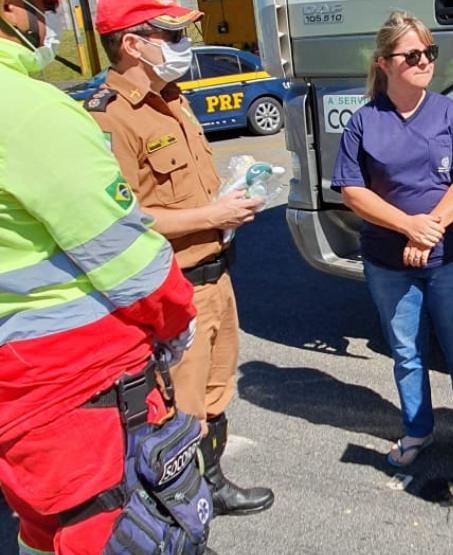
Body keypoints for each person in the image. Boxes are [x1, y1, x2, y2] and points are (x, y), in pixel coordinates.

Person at [0, 0, 201, 552]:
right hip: (75, 389)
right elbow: (125, 254)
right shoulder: (31, 110)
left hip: (21, 393)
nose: (53, 18)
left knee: (42, 530)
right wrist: (177, 319)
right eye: (48, 5)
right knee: (121, 530)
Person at [87, 0, 274, 516]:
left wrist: (229, 201)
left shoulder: (172, 99)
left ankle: (210, 486)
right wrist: (212, 214)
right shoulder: (110, 116)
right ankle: (176, 511)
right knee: (179, 406)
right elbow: (122, 219)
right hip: (173, 285)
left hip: (217, 277)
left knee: (215, 391)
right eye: (170, 36)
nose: (182, 45)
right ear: (132, 43)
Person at [332, 12, 453, 474]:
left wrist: (429, 230)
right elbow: (353, 192)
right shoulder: (364, 122)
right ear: (384, 63)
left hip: (452, 256)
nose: (425, 61)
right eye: (413, 54)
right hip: (388, 262)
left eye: (430, 52)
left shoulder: (449, 113)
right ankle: (417, 429)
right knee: (406, 353)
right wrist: (408, 226)